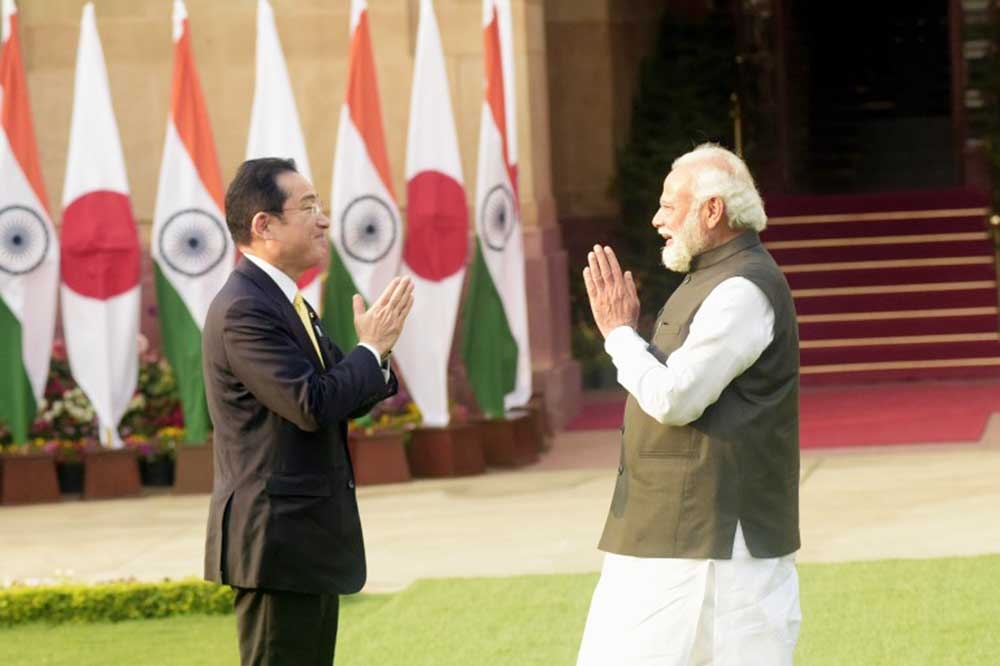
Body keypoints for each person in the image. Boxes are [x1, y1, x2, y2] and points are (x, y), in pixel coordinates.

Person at [577, 143, 802, 665]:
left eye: (669, 206)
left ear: (712, 210)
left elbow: (676, 398)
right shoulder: (710, 278)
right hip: (674, 530)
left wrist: (617, 335)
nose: (657, 219)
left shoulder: (743, 289)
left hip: (716, 540)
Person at [202, 157, 414, 665]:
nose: (324, 220)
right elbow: (310, 404)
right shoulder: (245, 310)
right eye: (308, 207)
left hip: (304, 538)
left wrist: (376, 354)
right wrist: (369, 350)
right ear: (264, 225)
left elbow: (341, 391)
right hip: (274, 542)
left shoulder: (284, 301)